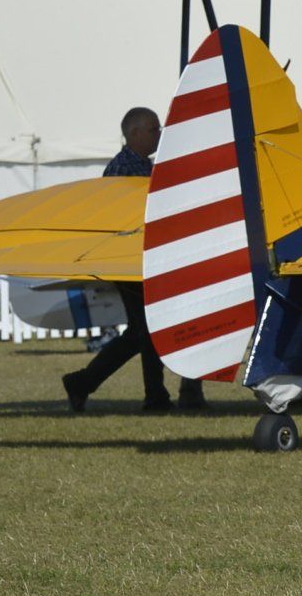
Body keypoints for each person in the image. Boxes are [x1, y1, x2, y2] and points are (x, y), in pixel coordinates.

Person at [62, 108, 207, 412]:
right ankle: (132, 392)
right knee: (144, 331)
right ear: (135, 134)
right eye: (154, 129)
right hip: (129, 262)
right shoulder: (124, 170)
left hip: (142, 261)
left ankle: (135, 392)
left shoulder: (142, 166)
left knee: (143, 332)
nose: (159, 133)